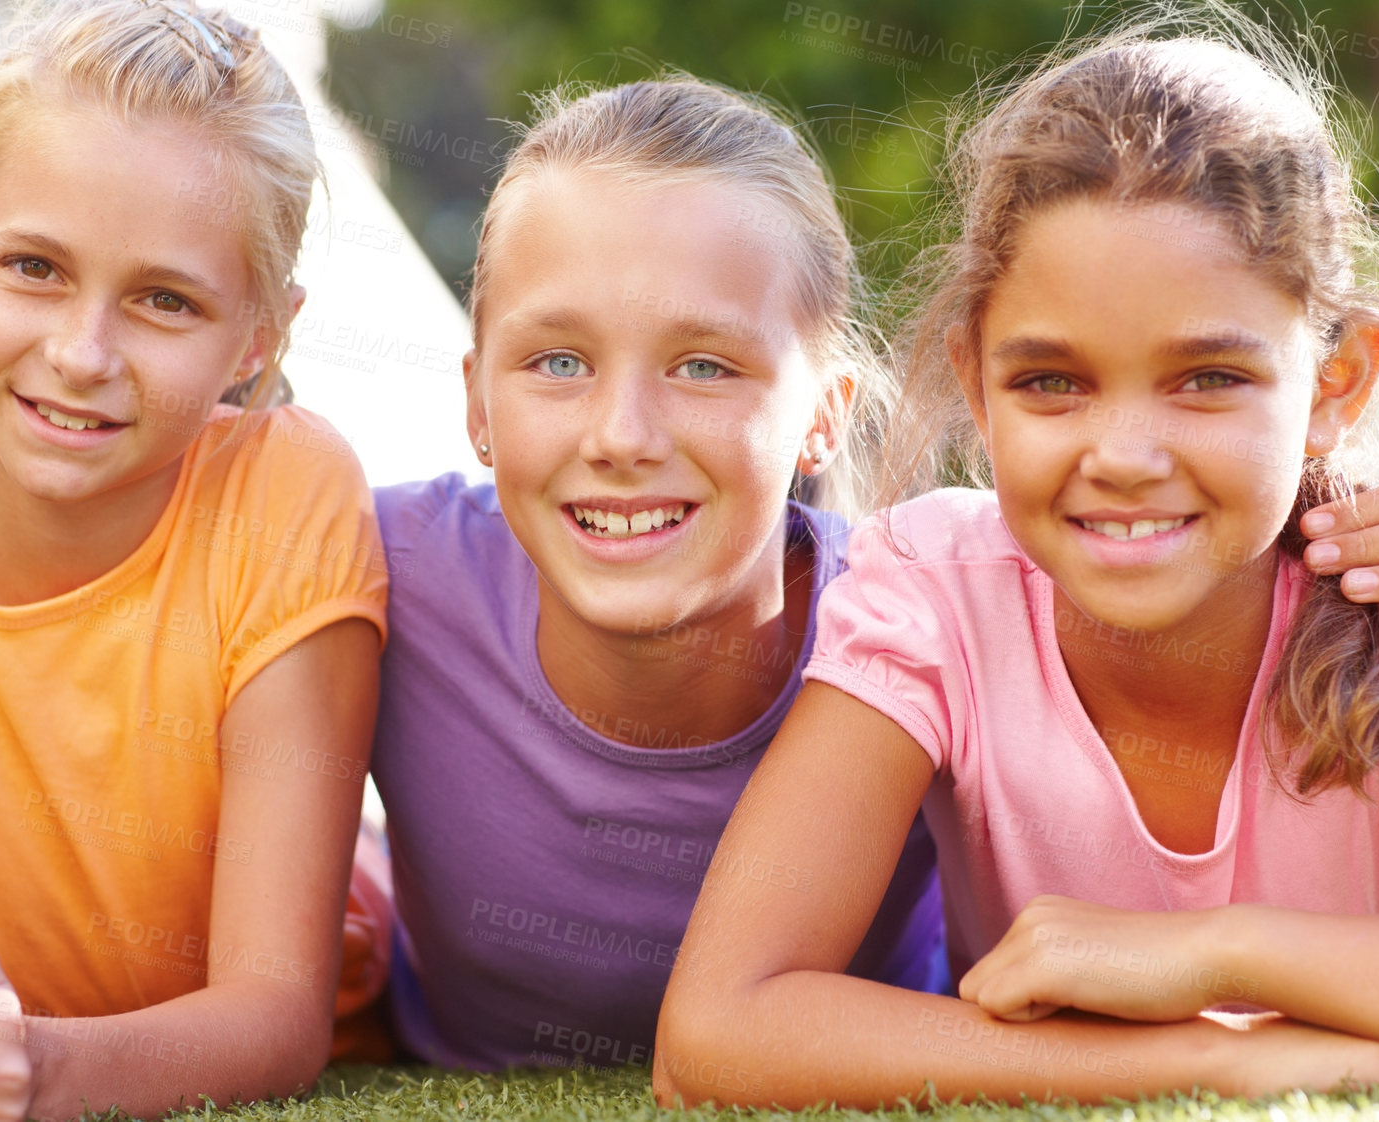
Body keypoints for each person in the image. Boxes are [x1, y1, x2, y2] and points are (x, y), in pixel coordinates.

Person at [657, 9, 1379, 1108]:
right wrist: (1207, 1055)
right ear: (975, 383)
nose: (1123, 456)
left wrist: (1228, 953)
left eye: (1207, 378)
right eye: (1050, 382)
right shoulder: (936, 594)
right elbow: (716, 1028)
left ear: (1336, 383)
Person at [0, 0, 389, 1122]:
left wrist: (35, 1061)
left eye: (164, 300)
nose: (81, 354)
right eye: (32, 266)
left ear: (256, 341)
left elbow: (274, 1015)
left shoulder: (288, 489)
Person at [367, 77, 946, 1072]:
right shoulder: (379, 570)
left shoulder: (937, 624)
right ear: (476, 403)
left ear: (824, 408)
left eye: (704, 366)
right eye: (557, 361)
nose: (621, 435)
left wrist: (1316, 527)